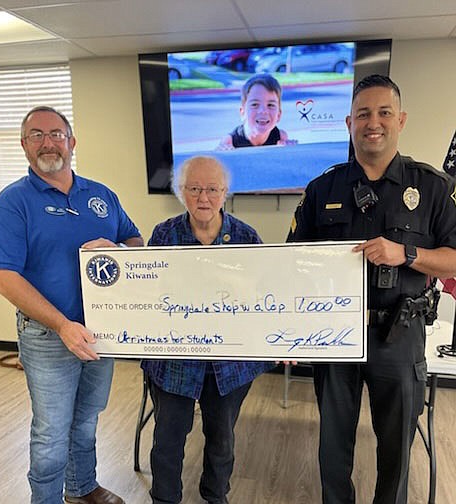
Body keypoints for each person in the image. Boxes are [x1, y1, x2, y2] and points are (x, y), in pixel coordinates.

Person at [286, 75, 456, 503]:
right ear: (349, 122)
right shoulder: (322, 188)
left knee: (396, 447)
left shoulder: (434, 187)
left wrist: (409, 254)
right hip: (334, 336)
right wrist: (287, 327)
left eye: (383, 113)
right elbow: (291, 263)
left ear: (400, 120)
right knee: (333, 446)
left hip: (399, 334)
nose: (373, 122)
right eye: (363, 114)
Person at [0, 106, 143, 504]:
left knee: (87, 419)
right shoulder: (13, 202)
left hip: (101, 332)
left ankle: (82, 487)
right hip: (47, 336)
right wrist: (62, 325)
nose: (47, 141)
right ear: (24, 146)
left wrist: (118, 249)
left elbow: (136, 244)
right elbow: (1, 275)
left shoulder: (101, 195)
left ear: (71, 142)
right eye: (36, 135)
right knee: (51, 431)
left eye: (56, 133)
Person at [141, 155, 274, 504]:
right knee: (168, 439)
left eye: (212, 189)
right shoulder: (164, 234)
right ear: (180, 191)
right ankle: (165, 499)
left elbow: (266, 297)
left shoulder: (246, 237)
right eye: (195, 188)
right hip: (173, 361)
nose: (204, 197)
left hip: (230, 363)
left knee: (222, 439)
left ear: (225, 192)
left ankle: (216, 496)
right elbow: (148, 296)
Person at [217, 74, 295, 149]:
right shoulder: (230, 142)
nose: (263, 111)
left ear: (278, 115)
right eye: (255, 104)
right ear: (242, 112)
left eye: (270, 105)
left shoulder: (280, 138)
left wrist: (287, 150)